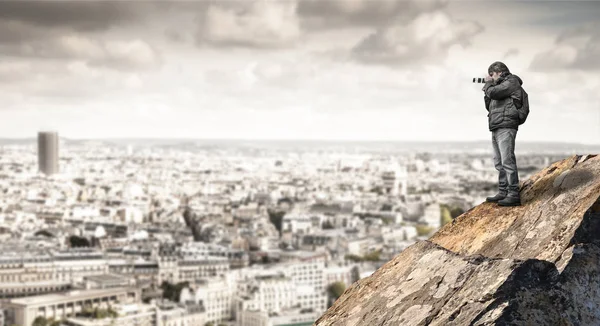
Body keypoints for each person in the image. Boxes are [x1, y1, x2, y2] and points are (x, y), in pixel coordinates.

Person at [482, 61, 524, 206]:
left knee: (507, 160)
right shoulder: (499, 86)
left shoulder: (511, 82)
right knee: (499, 162)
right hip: (496, 124)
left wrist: (488, 85)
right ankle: (503, 191)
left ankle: (513, 194)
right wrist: (489, 88)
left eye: (491, 75)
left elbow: (494, 93)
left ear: (499, 72)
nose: (490, 78)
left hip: (506, 124)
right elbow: (489, 105)